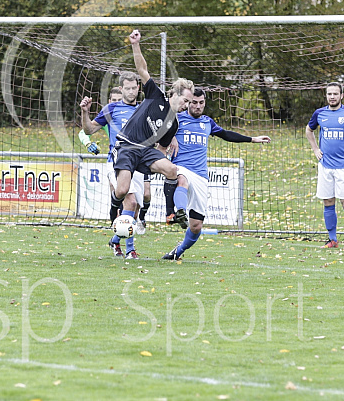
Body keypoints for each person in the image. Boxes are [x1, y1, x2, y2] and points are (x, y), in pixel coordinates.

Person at [106, 29, 194, 258]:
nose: (187, 105)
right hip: (127, 145)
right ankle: (113, 211)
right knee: (123, 191)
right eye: (185, 100)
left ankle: (170, 212)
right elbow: (142, 70)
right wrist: (135, 45)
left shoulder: (173, 125)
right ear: (174, 94)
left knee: (171, 169)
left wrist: (154, 168)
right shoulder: (156, 96)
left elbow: (162, 151)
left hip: (145, 152)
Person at [162, 88, 271, 260]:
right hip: (181, 167)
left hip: (201, 176)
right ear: (188, 103)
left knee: (196, 226)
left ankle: (177, 252)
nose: (198, 106)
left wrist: (253, 139)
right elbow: (161, 121)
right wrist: (171, 136)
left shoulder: (207, 122)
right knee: (181, 179)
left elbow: (226, 134)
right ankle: (179, 212)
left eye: (201, 103)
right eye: (194, 103)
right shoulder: (176, 118)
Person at [80, 78, 146, 258]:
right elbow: (88, 130)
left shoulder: (144, 108)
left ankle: (116, 240)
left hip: (138, 163)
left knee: (136, 205)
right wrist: (85, 113)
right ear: (121, 88)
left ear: (138, 88)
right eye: (127, 88)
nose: (131, 91)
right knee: (129, 202)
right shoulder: (111, 109)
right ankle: (130, 250)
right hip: (116, 161)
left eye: (134, 88)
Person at [305, 82, 344, 251]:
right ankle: (332, 239)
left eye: (335, 94)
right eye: (329, 94)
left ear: (341, 96)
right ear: (326, 96)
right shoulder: (319, 113)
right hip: (325, 166)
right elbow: (309, 130)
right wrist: (315, 149)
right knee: (328, 201)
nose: (332, 97)